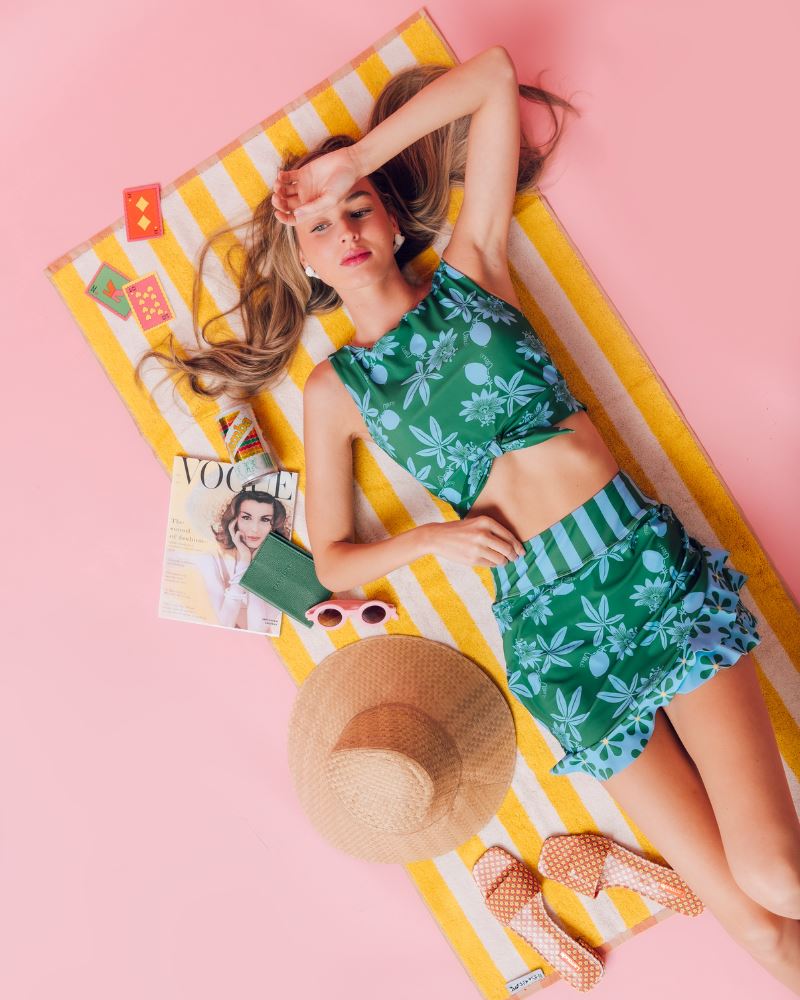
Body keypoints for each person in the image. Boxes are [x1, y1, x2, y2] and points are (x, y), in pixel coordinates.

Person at [138, 46, 800, 989]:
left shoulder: (472, 271)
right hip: (551, 637)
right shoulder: (336, 390)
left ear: (390, 214)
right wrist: (433, 538)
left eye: (357, 206)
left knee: (775, 874)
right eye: (320, 225)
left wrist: (351, 159)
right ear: (305, 260)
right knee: (760, 931)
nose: (344, 229)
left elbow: (490, 78)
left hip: (640, 573)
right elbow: (331, 564)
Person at [199, 490, 287, 631]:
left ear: (274, 525)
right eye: (246, 517)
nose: (254, 529)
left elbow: (257, 629)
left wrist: (255, 565)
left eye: (265, 520)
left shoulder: (281, 566)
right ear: (234, 521)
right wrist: (245, 560)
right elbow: (225, 624)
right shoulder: (210, 560)